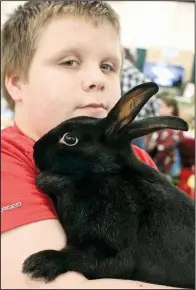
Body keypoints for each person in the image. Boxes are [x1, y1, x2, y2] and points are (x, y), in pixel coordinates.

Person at [1, 1, 178, 289]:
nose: (98, 79)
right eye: (69, 62)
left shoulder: (137, 160)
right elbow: (50, 284)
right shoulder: (7, 161)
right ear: (16, 82)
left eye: (108, 66)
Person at [120, 48, 160, 149]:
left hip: (110, 132)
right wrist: (150, 140)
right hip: (136, 134)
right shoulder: (145, 80)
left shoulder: (110, 75)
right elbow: (155, 116)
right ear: (133, 59)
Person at [146, 96, 184, 178]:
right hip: (157, 163)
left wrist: (154, 147)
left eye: (162, 106)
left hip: (167, 165)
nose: (159, 109)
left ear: (171, 109)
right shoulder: (161, 123)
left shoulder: (176, 125)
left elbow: (166, 145)